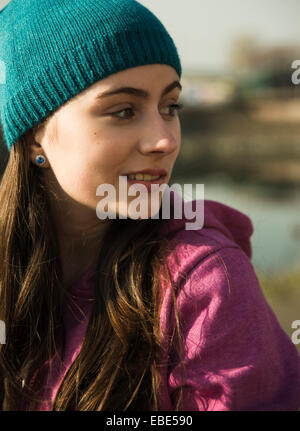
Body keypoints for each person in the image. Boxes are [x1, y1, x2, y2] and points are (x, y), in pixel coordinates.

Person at [0, 0, 299, 411]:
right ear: (35, 136)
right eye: (124, 111)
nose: (166, 140)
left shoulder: (203, 284)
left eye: (170, 107)